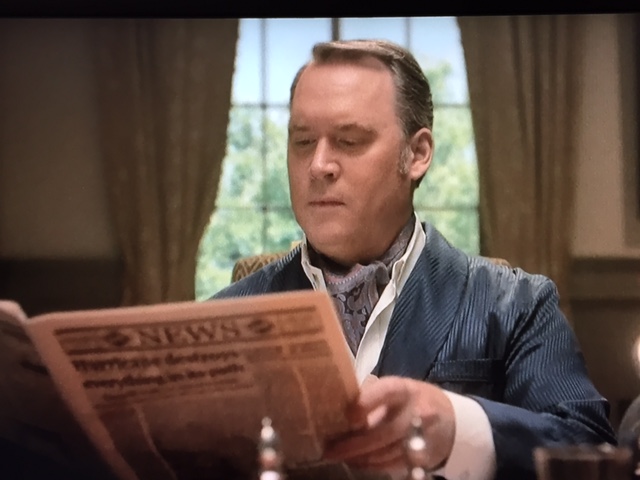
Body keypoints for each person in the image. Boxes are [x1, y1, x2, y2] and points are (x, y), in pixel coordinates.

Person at [211, 39, 616, 480]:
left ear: (418, 154)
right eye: (303, 141)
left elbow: (588, 447)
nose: (318, 165)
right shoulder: (222, 320)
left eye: (349, 141)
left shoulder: (518, 305)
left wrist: (456, 426)